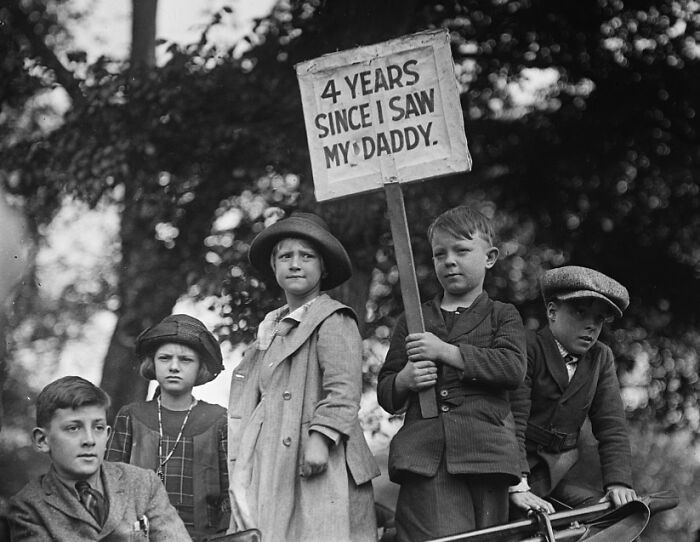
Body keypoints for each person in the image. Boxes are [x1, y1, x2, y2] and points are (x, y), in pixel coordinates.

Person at [377, 205, 527, 542]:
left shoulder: (503, 315)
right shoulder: (413, 319)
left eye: (461, 250)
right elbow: (386, 392)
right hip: (426, 460)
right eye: (439, 254)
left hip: (487, 457)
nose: (449, 261)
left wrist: (446, 352)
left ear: (489, 257)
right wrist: (405, 380)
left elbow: (512, 368)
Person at [227, 212, 380, 542]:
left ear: (323, 267)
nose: (295, 264)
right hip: (275, 458)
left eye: (307, 256)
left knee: (321, 531)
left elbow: (343, 389)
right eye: (286, 256)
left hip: (321, 456)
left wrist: (321, 438)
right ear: (275, 266)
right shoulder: (271, 329)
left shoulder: (332, 319)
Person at [509, 266, 637, 516]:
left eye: (599, 319)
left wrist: (618, 481)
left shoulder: (601, 357)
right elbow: (513, 421)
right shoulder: (528, 347)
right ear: (552, 312)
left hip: (553, 477)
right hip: (508, 474)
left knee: (612, 518)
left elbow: (612, 426)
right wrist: (517, 483)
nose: (591, 326)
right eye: (580, 312)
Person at [8, 376, 191, 541]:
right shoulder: (27, 508)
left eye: (98, 428)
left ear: (108, 434)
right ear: (42, 440)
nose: (89, 440)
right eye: (73, 428)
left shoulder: (143, 483)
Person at [105, 314, 229, 541]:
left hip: (202, 537)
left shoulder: (219, 419)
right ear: (152, 363)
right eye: (164, 358)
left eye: (185, 360)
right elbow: (111, 485)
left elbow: (229, 493)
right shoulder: (132, 415)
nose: (174, 367)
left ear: (201, 366)